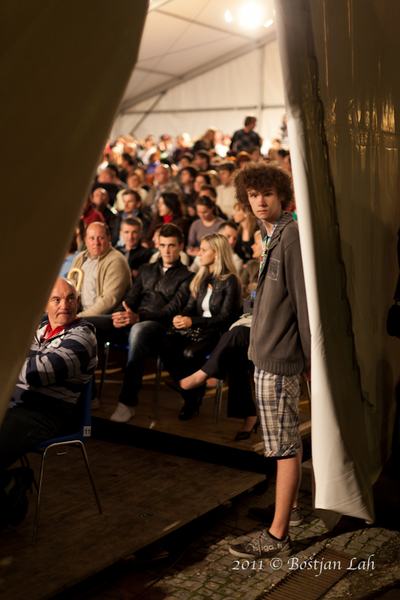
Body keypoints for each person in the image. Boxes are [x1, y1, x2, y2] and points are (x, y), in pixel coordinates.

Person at [228, 161, 310, 560]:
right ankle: (287, 511)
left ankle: (278, 537)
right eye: (253, 195)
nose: (260, 202)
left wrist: (310, 361)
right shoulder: (273, 232)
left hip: (279, 357)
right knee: (284, 442)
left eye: (267, 194)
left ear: (282, 196)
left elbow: (304, 303)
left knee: (283, 446)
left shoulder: (290, 235)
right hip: (269, 353)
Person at [0, 278, 97, 529]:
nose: (64, 305)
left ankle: (11, 489)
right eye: (56, 299)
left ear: (78, 302)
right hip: (13, 404)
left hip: (43, 414)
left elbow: (37, 373)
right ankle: (9, 484)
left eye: (70, 298)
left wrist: (12, 357)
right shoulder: (39, 328)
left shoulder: (83, 336)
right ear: (45, 305)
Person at [85, 224, 193, 423]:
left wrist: (138, 317)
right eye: (163, 245)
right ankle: (88, 395)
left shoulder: (187, 276)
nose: (167, 250)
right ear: (157, 245)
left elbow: (171, 311)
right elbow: (130, 298)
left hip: (158, 327)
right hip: (134, 320)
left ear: (181, 246)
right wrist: (121, 314)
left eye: (171, 245)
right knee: (85, 325)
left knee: (139, 329)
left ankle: (127, 403)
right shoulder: (146, 269)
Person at [163, 233, 242, 420]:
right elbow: (191, 307)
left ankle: (190, 398)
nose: (199, 253)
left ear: (217, 253)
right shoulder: (202, 277)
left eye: (204, 250)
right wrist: (182, 317)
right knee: (164, 344)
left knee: (189, 353)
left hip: (217, 333)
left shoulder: (230, 281)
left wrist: (192, 321)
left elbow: (224, 319)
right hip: (197, 330)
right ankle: (192, 393)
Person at [70, 221, 132, 317]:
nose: (96, 242)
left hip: (107, 317)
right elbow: (70, 290)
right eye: (92, 238)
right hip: (81, 314)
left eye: (101, 238)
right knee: (47, 318)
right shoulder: (79, 258)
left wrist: (78, 317)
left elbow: (109, 301)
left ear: (109, 239)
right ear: (85, 240)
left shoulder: (116, 260)